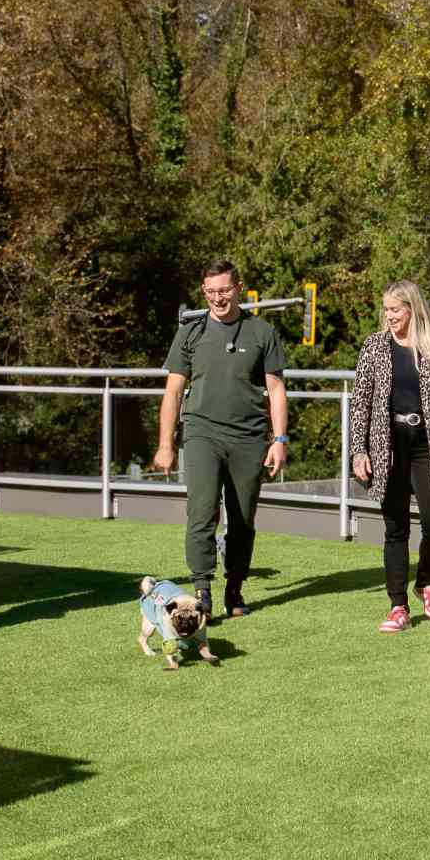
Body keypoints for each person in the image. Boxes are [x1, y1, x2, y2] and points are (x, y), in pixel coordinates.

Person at [153, 260, 289, 619]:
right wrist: (166, 444)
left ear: (238, 288)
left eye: (224, 290)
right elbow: (173, 392)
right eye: (211, 292)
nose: (218, 298)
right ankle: (202, 589)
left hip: (249, 437)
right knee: (201, 513)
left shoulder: (261, 332)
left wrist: (279, 440)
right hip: (202, 434)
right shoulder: (190, 333)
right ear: (204, 291)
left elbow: (276, 390)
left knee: (242, 519)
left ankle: (235, 586)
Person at [349, 280, 430, 633]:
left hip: (429, 447)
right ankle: (398, 606)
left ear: (413, 309)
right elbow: (361, 402)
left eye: (395, 310)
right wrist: (359, 450)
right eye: (386, 309)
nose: (389, 316)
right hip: (388, 447)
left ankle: (426, 583)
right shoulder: (374, 346)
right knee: (395, 528)